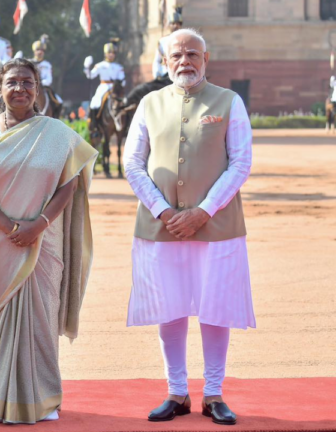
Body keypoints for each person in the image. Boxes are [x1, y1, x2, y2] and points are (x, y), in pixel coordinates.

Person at [122, 29, 254, 426]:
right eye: (177, 55)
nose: (185, 61)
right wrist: (164, 211)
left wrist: (204, 211)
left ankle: (214, 394)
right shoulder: (149, 103)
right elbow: (133, 164)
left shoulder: (229, 102)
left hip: (216, 226)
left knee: (216, 309)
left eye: (192, 54)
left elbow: (241, 163)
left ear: (206, 58)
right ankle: (176, 392)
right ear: (165, 62)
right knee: (171, 308)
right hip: (162, 227)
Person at [0, 58, 97, 424]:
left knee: (40, 319)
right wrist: (9, 227)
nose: (19, 88)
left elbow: (71, 183)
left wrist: (38, 224)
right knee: (3, 318)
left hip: (43, 241)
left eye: (27, 81)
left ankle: (44, 400)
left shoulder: (56, 132)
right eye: (12, 82)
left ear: (37, 88)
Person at [84, 38, 125, 138]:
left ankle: (125, 126)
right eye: (109, 53)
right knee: (95, 103)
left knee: (124, 104)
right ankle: (95, 126)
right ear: (105, 54)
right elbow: (90, 75)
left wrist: (120, 83)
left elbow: (122, 80)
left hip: (115, 88)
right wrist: (86, 67)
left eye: (113, 53)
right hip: (103, 87)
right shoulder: (100, 65)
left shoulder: (119, 67)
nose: (111, 55)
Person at [31, 35, 63, 111]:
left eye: (42, 50)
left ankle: (55, 118)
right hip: (30, 86)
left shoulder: (47, 65)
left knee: (59, 101)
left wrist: (41, 84)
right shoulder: (29, 63)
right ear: (34, 51)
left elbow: (49, 78)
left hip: (43, 87)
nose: (40, 52)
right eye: (38, 50)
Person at [152, 7, 183, 82]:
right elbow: (157, 60)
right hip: (165, 75)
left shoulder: (185, 40)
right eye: (173, 23)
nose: (175, 26)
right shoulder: (163, 41)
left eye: (177, 23)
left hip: (180, 74)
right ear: (169, 25)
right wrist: (157, 74)